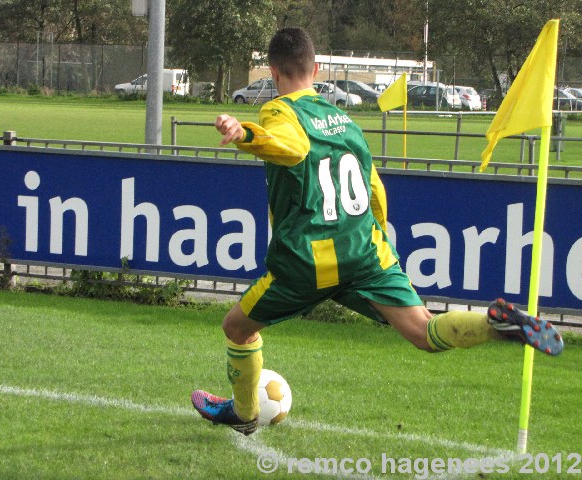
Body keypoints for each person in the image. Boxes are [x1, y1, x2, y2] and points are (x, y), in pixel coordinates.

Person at [191, 27, 563, 436]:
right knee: (423, 331)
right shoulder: (346, 121)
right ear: (315, 69)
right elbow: (375, 190)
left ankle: (244, 414)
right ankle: (494, 326)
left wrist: (245, 134)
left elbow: (291, 147)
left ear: (274, 73)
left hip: (309, 259)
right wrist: (378, 238)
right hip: (366, 251)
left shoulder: (279, 110)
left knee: (237, 329)